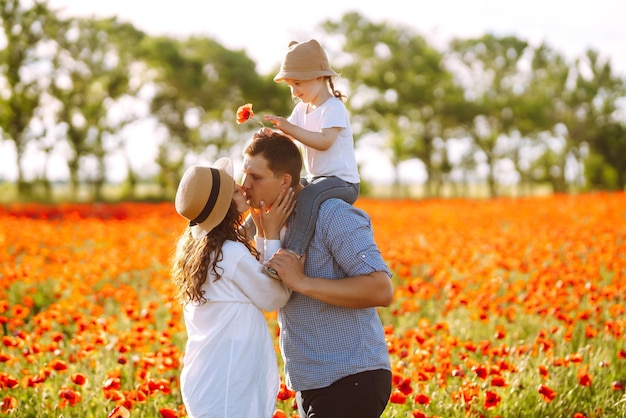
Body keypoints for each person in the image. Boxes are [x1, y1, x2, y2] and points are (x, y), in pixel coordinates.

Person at [241, 131, 393, 418]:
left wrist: (303, 283)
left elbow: (381, 289)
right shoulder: (270, 225)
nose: (245, 185)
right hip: (309, 381)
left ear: (285, 180)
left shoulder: (332, 214)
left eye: (256, 177)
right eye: (244, 174)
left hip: (351, 376)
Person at [170, 157, 295, 418]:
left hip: (210, 377)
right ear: (224, 205)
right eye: (234, 188)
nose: (242, 187)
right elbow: (273, 297)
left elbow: (255, 280)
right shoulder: (229, 252)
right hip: (228, 383)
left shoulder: (202, 251)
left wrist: (261, 233)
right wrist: (270, 236)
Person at [263, 39, 360, 277]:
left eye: (298, 83)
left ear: (319, 77)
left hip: (343, 182)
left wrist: (289, 129)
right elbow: (290, 139)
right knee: (285, 191)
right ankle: (250, 238)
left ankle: (293, 254)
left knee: (308, 195)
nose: (294, 91)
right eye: (290, 86)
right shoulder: (301, 110)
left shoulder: (333, 107)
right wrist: (271, 136)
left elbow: (324, 141)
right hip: (317, 178)